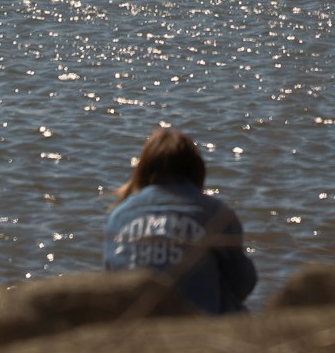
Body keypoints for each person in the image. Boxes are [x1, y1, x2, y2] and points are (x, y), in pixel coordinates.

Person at [103, 126, 257, 313]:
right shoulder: (217, 213)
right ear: (197, 170)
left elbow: (112, 280)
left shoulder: (119, 216)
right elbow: (243, 284)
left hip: (134, 325)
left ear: (142, 170)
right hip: (196, 329)